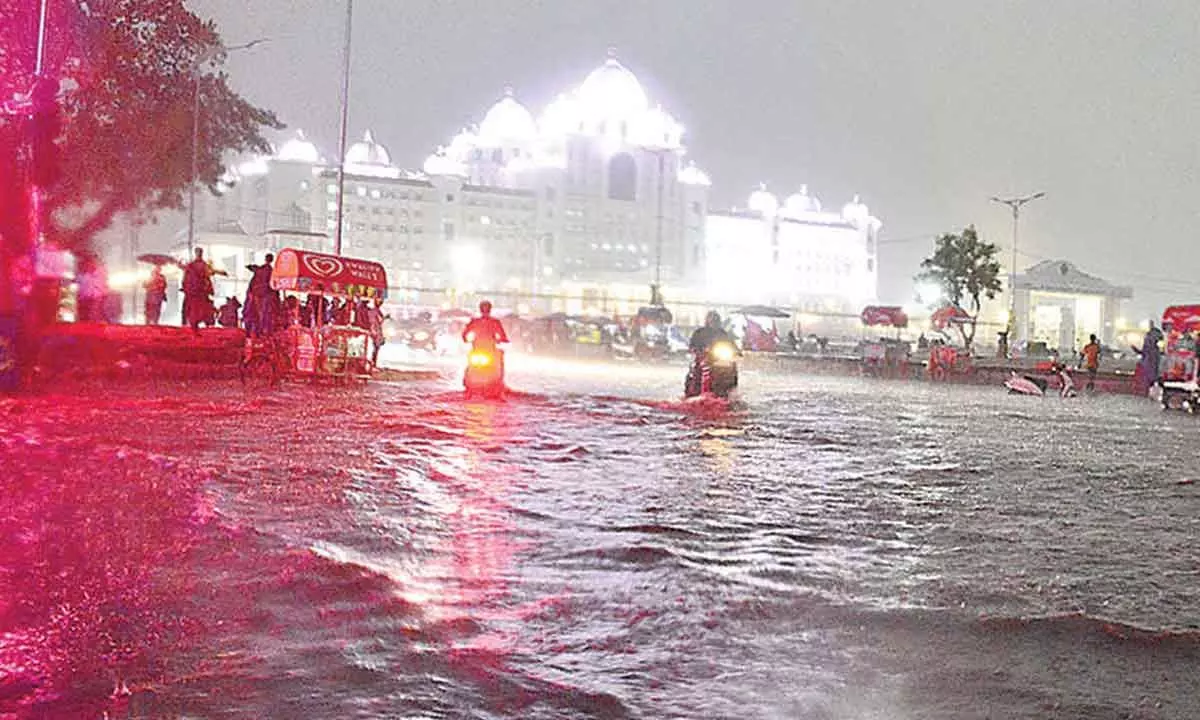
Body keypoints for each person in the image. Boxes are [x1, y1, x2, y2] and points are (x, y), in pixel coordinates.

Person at [182, 248, 213, 332]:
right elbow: (186, 277)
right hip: (194, 292)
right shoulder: (192, 265)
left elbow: (207, 277)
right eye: (198, 252)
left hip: (199, 291)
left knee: (200, 309)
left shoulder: (201, 265)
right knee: (192, 309)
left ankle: (197, 324)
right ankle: (192, 324)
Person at [1133, 321, 1163, 395]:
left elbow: (1144, 351)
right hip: (1149, 358)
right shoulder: (1150, 336)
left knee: (1151, 374)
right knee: (1151, 374)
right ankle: (1149, 389)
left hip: (1150, 358)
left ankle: (1150, 389)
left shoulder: (1152, 335)